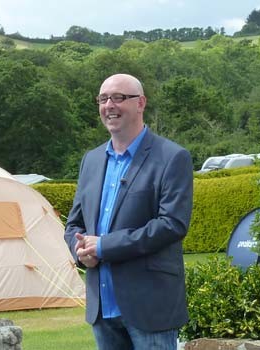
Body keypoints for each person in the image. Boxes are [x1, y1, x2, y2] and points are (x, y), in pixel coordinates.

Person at [64, 73, 193, 350]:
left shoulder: (172, 157)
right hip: (102, 307)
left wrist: (104, 246)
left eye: (119, 97)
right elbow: (74, 223)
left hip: (150, 307)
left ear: (140, 103)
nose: (109, 105)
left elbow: (172, 224)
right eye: (103, 98)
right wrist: (80, 252)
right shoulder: (92, 160)